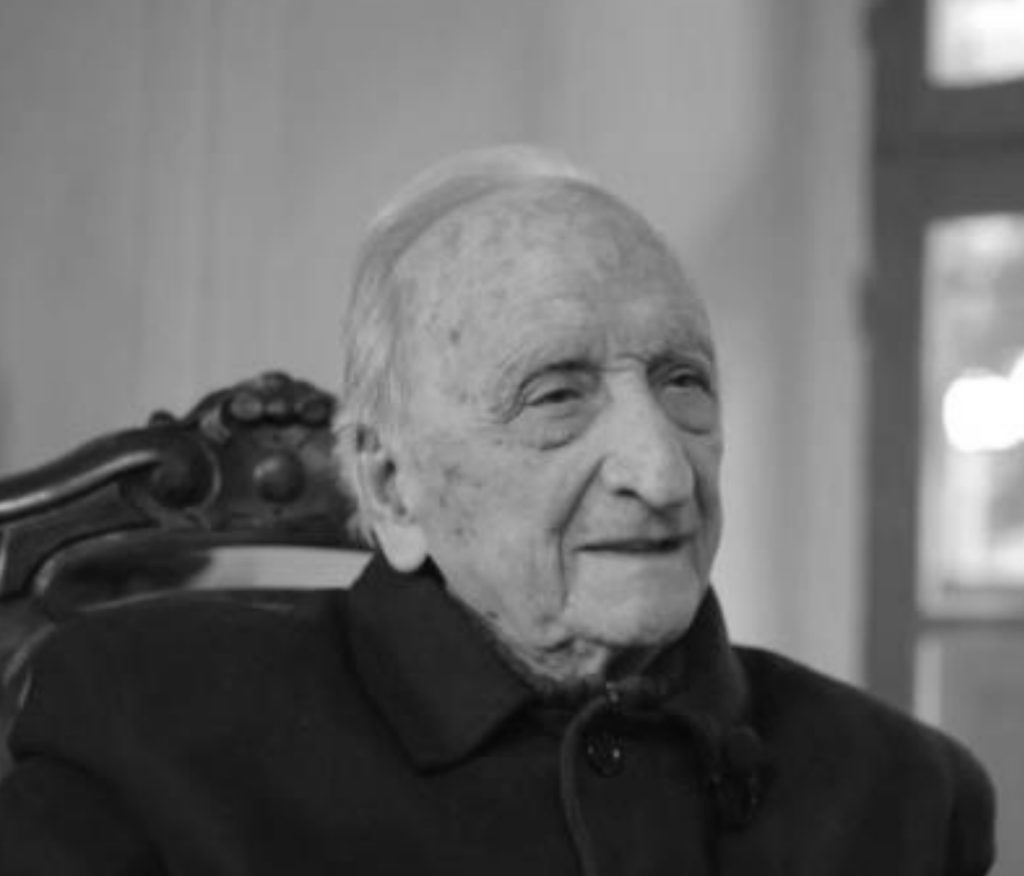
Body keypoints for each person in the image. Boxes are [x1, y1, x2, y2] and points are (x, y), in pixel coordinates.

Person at [0, 146, 995, 875]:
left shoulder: (909, 798)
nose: (663, 473)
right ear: (392, 487)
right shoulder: (146, 727)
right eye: (556, 394)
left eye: (684, 382)